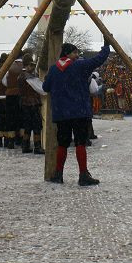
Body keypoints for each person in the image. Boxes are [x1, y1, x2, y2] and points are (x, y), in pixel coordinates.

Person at [43, 42, 110, 185]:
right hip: (79, 112)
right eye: (75, 52)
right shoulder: (79, 66)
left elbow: (45, 87)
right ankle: (83, 175)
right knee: (80, 143)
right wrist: (106, 46)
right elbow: (99, 59)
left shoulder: (54, 69)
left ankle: (58, 174)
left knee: (62, 144)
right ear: (68, 54)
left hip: (62, 114)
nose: (77, 55)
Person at [17, 51, 46, 154]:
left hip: (24, 104)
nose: (33, 67)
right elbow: (41, 89)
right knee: (37, 126)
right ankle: (37, 147)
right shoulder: (28, 77)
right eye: (31, 65)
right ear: (28, 64)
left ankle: (25, 146)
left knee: (27, 126)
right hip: (32, 104)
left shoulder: (21, 76)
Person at [3, 56, 23, 149]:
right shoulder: (24, 67)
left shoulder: (9, 68)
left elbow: (4, 82)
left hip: (10, 95)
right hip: (20, 95)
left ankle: (11, 141)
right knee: (20, 118)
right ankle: (20, 139)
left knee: (10, 118)